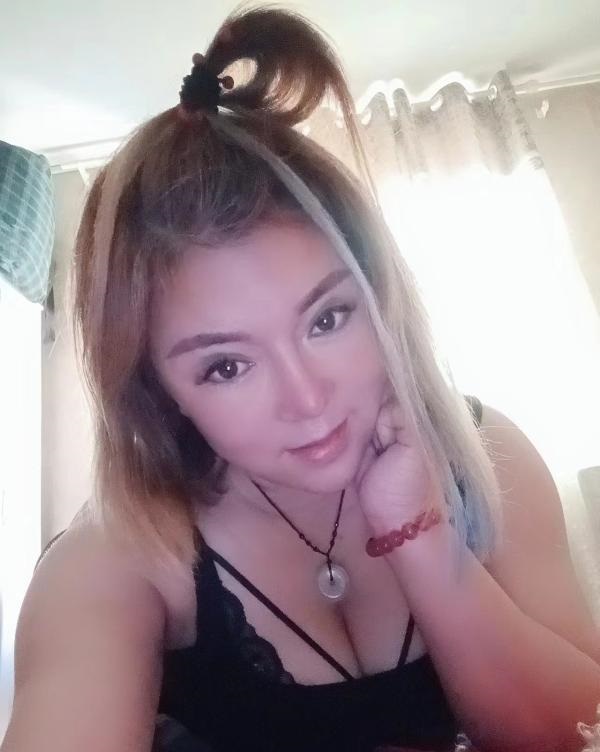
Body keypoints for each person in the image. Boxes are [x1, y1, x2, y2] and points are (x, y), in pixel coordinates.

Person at [3, 7, 600, 752]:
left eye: (327, 319)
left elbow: (579, 732)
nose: (308, 399)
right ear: (158, 390)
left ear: (379, 295)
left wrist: (418, 535)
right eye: (226, 365)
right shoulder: (113, 558)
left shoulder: (485, 454)